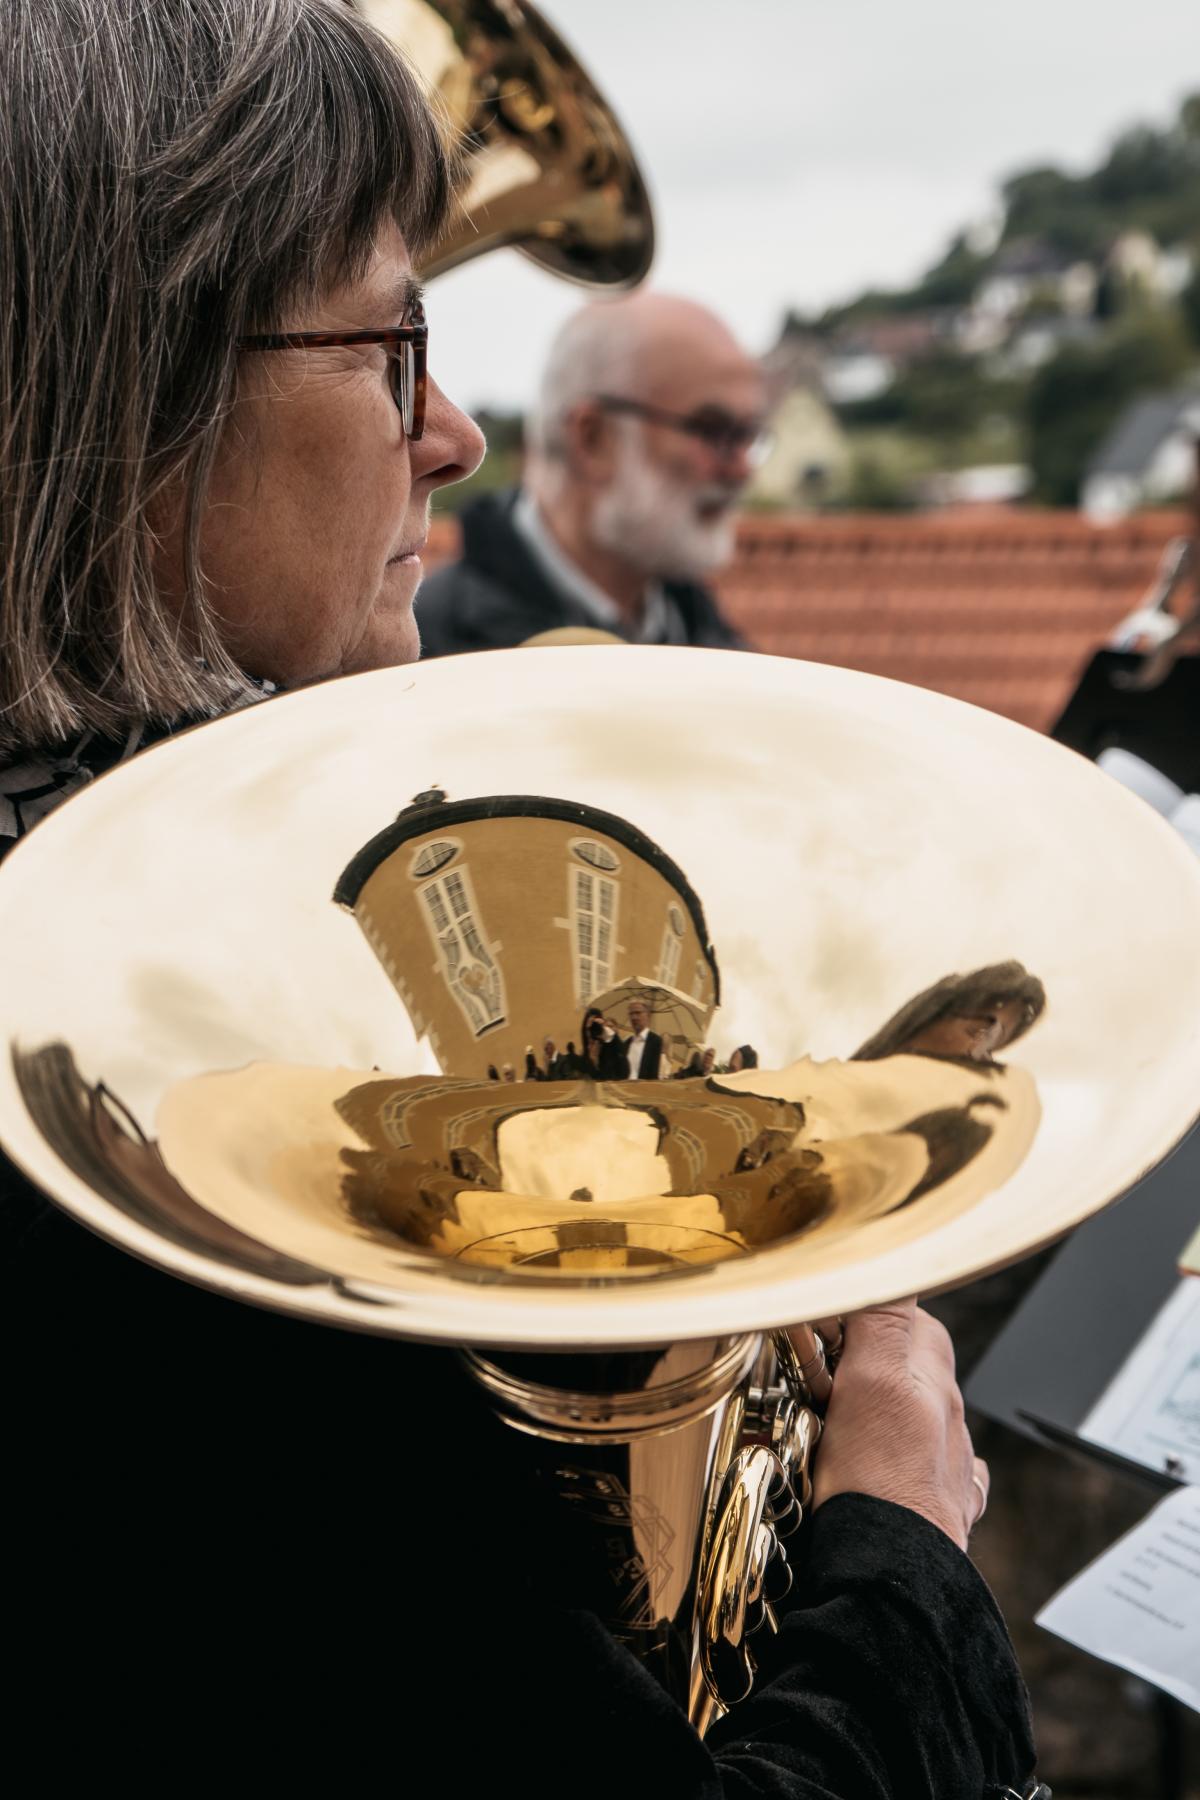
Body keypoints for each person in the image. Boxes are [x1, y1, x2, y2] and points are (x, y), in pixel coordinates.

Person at [0, 5, 1045, 1795]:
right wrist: (903, 1561)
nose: (455, 435)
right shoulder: (132, 1157)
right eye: (395, 348)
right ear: (139, 397)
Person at [415, 292, 767, 655]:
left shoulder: (719, 648)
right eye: (715, 431)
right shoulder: (422, 659)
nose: (743, 469)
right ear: (593, 438)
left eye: (750, 435)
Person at [624, 996, 667, 1080]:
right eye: (631, 1014)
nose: (634, 1017)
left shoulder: (656, 1041)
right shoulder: (626, 1043)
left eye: (638, 1013)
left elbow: (655, 1074)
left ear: (648, 1015)